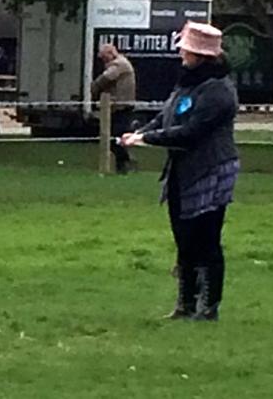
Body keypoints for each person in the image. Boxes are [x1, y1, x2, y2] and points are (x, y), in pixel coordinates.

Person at [121, 22, 238, 322]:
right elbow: (166, 117)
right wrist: (141, 133)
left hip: (211, 170)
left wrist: (148, 139)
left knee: (206, 239)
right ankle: (185, 304)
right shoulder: (187, 83)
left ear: (201, 55)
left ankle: (208, 306)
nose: (181, 54)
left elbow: (191, 132)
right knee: (184, 239)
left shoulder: (218, 92)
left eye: (185, 49)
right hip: (182, 169)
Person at [91, 43, 138, 173]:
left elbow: (105, 79)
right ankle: (122, 165)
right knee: (114, 137)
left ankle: (126, 161)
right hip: (119, 106)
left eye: (104, 57)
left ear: (111, 54)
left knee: (113, 137)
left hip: (121, 107)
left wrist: (94, 87)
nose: (103, 61)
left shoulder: (118, 65)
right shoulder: (122, 63)